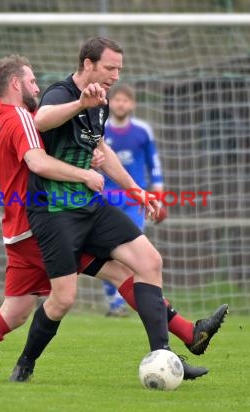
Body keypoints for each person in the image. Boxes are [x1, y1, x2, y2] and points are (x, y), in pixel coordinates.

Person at [0, 55, 225, 380]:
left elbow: (44, 149)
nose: (38, 86)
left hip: (19, 231)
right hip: (41, 226)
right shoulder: (20, 117)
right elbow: (37, 162)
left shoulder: (7, 118)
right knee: (120, 274)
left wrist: (86, 152)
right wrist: (83, 174)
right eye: (33, 81)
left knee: (15, 311)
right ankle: (185, 336)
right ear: (16, 84)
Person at [9, 37, 226, 382]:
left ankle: (165, 356)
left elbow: (103, 151)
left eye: (119, 69)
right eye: (110, 67)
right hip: (54, 212)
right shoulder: (61, 93)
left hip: (90, 206)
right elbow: (41, 121)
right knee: (63, 299)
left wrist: (136, 191)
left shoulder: (101, 102)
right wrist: (80, 103)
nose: (115, 75)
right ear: (87, 64)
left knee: (149, 261)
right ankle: (25, 364)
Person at [100, 83, 166, 317]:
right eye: (116, 100)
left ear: (132, 104)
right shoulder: (100, 128)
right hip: (105, 200)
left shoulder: (142, 131)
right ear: (110, 102)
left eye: (125, 100)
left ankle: (121, 300)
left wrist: (158, 197)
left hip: (133, 201)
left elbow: (154, 164)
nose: (120, 104)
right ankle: (113, 301)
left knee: (131, 252)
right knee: (108, 253)